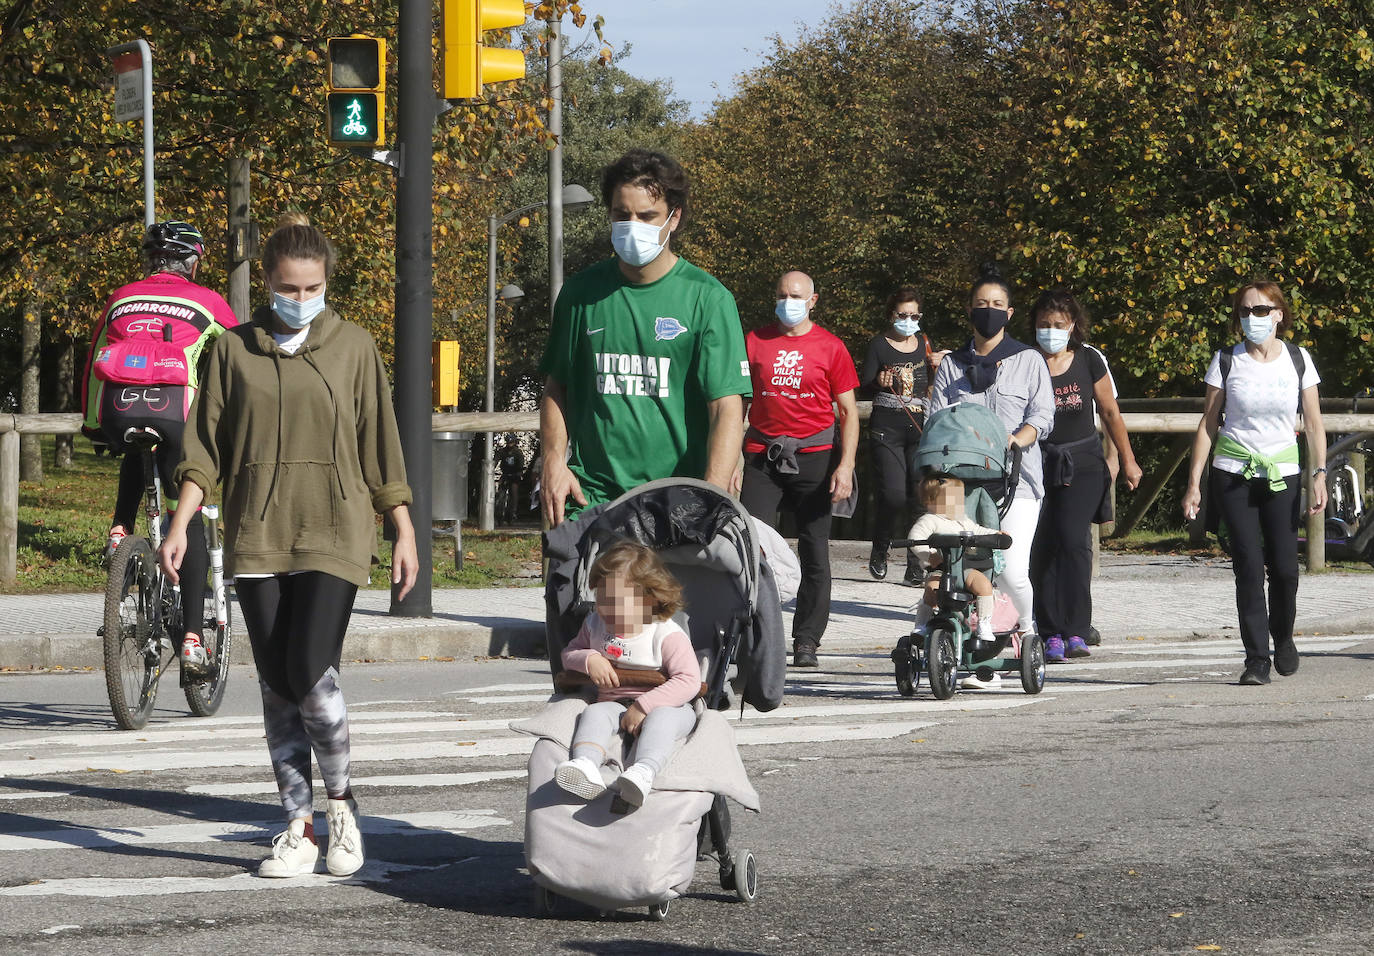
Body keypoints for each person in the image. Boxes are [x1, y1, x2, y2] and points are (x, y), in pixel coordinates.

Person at [159, 215, 419, 877]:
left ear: (326, 283)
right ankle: (298, 829)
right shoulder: (230, 350)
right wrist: (181, 522)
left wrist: (403, 527)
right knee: (277, 685)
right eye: (287, 287)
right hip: (258, 534)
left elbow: (379, 443)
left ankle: (343, 809)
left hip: (336, 530)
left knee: (307, 669)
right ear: (266, 284)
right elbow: (205, 447)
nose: (300, 298)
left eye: (312, 287)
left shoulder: (354, 347)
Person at [539, 148, 752, 525]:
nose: (632, 225)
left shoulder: (708, 298)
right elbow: (558, 386)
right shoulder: (579, 293)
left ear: (674, 218)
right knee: (575, 586)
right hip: (591, 500)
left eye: (647, 215)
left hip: (679, 504)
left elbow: (726, 407)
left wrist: (711, 495)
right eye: (622, 215)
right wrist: (554, 463)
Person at [80, 220, 239, 676]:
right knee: (181, 521)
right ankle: (192, 638)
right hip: (175, 416)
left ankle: (118, 528)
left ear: (148, 261)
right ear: (192, 260)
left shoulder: (121, 296)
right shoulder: (206, 301)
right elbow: (237, 355)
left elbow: (95, 361)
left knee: (135, 447)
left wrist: (94, 425)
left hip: (118, 411)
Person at [1182, 281, 1326, 686]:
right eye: (1245, 312)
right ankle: (1256, 658)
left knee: (1284, 568)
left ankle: (1283, 637)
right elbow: (1208, 424)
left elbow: (1314, 423)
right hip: (1234, 472)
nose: (1252, 319)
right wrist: (1194, 481)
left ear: (1279, 314)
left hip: (1282, 473)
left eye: (1261, 311)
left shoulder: (1298, 360)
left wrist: (1319, 474)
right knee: (1247, 565)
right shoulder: (1227, 360)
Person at [738, 271, 859, 668]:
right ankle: (753, 633)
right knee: (749, 547)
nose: (787, 301)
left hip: (815, 456)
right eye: (781, 294)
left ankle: (807, 639)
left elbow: (848, 412)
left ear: (813, 300)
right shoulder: (754, 342)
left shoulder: (831, 347)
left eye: (796, 295)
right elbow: (736, 405)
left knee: (814, 548)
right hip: (762, 454)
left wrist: (846, 465)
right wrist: (733, 462)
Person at [928, 264, 1054, 640]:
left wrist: (1017, 438)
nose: (989, 310)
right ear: (969, 310)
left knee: (1011, 570)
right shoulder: (952, 366)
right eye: (981, 303)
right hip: (962, 483)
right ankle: (973, 638)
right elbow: (936, 419)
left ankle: (1028, 631)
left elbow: (1043, 415)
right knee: (963, 571)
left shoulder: (1028, 360)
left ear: (1009, 313)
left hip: (1018, 482)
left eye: (998, 304)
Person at [1027, 289, 1143, 662]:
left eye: (1058, 325)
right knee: (1042, 546)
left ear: (1072, 326)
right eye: (1044, 324)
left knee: (1075, 544)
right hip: (1035, 463)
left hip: (1083, 463)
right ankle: (1049, 631)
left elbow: (1110, 413)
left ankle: (1077, 629)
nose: (1050, 331)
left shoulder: (1090, 359)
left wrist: (1127, 460)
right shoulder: (1024, 361)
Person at [555, 540, 701, 808]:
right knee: (593, 714)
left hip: (665, 706)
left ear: (649, 599)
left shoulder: (664, 634)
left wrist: (645, 706)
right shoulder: (596, 625)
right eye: (600, 599)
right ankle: (586, 764)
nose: (604, 609)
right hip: (614, 704)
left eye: (614, 602)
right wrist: (589, 658)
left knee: (663, 720)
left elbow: (689, 680)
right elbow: (568, 653)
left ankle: (644, 771)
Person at [858, 285, 940, 584]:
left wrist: (938, 367)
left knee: (920, 498)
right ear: (892, 314)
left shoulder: (924, 343)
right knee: (892, 496)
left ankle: (916, 563)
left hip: (918, 425)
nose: (908, 320)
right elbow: (863, 385)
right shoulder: (879, 344)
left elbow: (933, 385)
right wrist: (879, 380)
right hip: (886, 425)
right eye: (902, 314)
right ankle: (881, 548)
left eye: (914, 315)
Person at [906, 473, 1002, 649]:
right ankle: (921, 625)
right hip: (942, 569)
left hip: (965, 568)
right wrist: (930, 555)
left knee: (984, 586)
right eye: (952, 499)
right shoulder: (929, 520)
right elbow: (915, 540)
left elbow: (977, 530)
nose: (958, 504)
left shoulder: (962, 521)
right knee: (932, 589)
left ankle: (984, 623)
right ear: (931, 501)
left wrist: (994, 535)